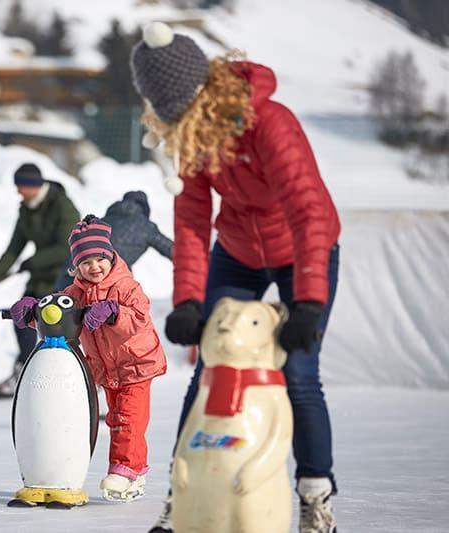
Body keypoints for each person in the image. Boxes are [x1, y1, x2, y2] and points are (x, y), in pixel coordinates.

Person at [129, 22, 341, 533]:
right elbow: (193, 220)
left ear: (204, 91)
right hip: (239, 251)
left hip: (301, 251)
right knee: (210, 366)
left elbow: (308, 211)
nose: (181, 125)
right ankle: (182, 496)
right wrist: (188, 302)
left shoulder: (270, 122)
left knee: (299, 374)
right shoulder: (196, 134)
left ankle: (315, 496)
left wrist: (308, 301)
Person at [11, 215, 167, 502]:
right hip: (107, 368)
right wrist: (33, 311)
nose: (93, 267)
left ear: (109, 256)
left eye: (99, 259)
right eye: (85, 262)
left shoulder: (126, 287)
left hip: (136, 364)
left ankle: (126, 471)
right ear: (76, 266)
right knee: (115, 419)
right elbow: (58, 315)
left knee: (129, 419)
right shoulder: (76, 293)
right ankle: (135, 470)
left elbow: (140, 317)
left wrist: (114, 311)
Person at [0, 162, 80, 399]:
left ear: (33, 186)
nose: (18, 191)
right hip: (40, 278)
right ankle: (23, 370)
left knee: (57, 329)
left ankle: (68, 378)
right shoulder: (26, 210)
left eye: (21, 186)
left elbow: (67, 248)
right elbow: (12, 251)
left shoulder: (62, 206)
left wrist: (35, 260)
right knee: (22, 318)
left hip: (64, 278)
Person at [53, 190, 172, 290]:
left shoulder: (103, 220)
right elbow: (170, 249)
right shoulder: (146, 225)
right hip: (111, 278)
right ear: (145, 209)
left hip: (74, 274)